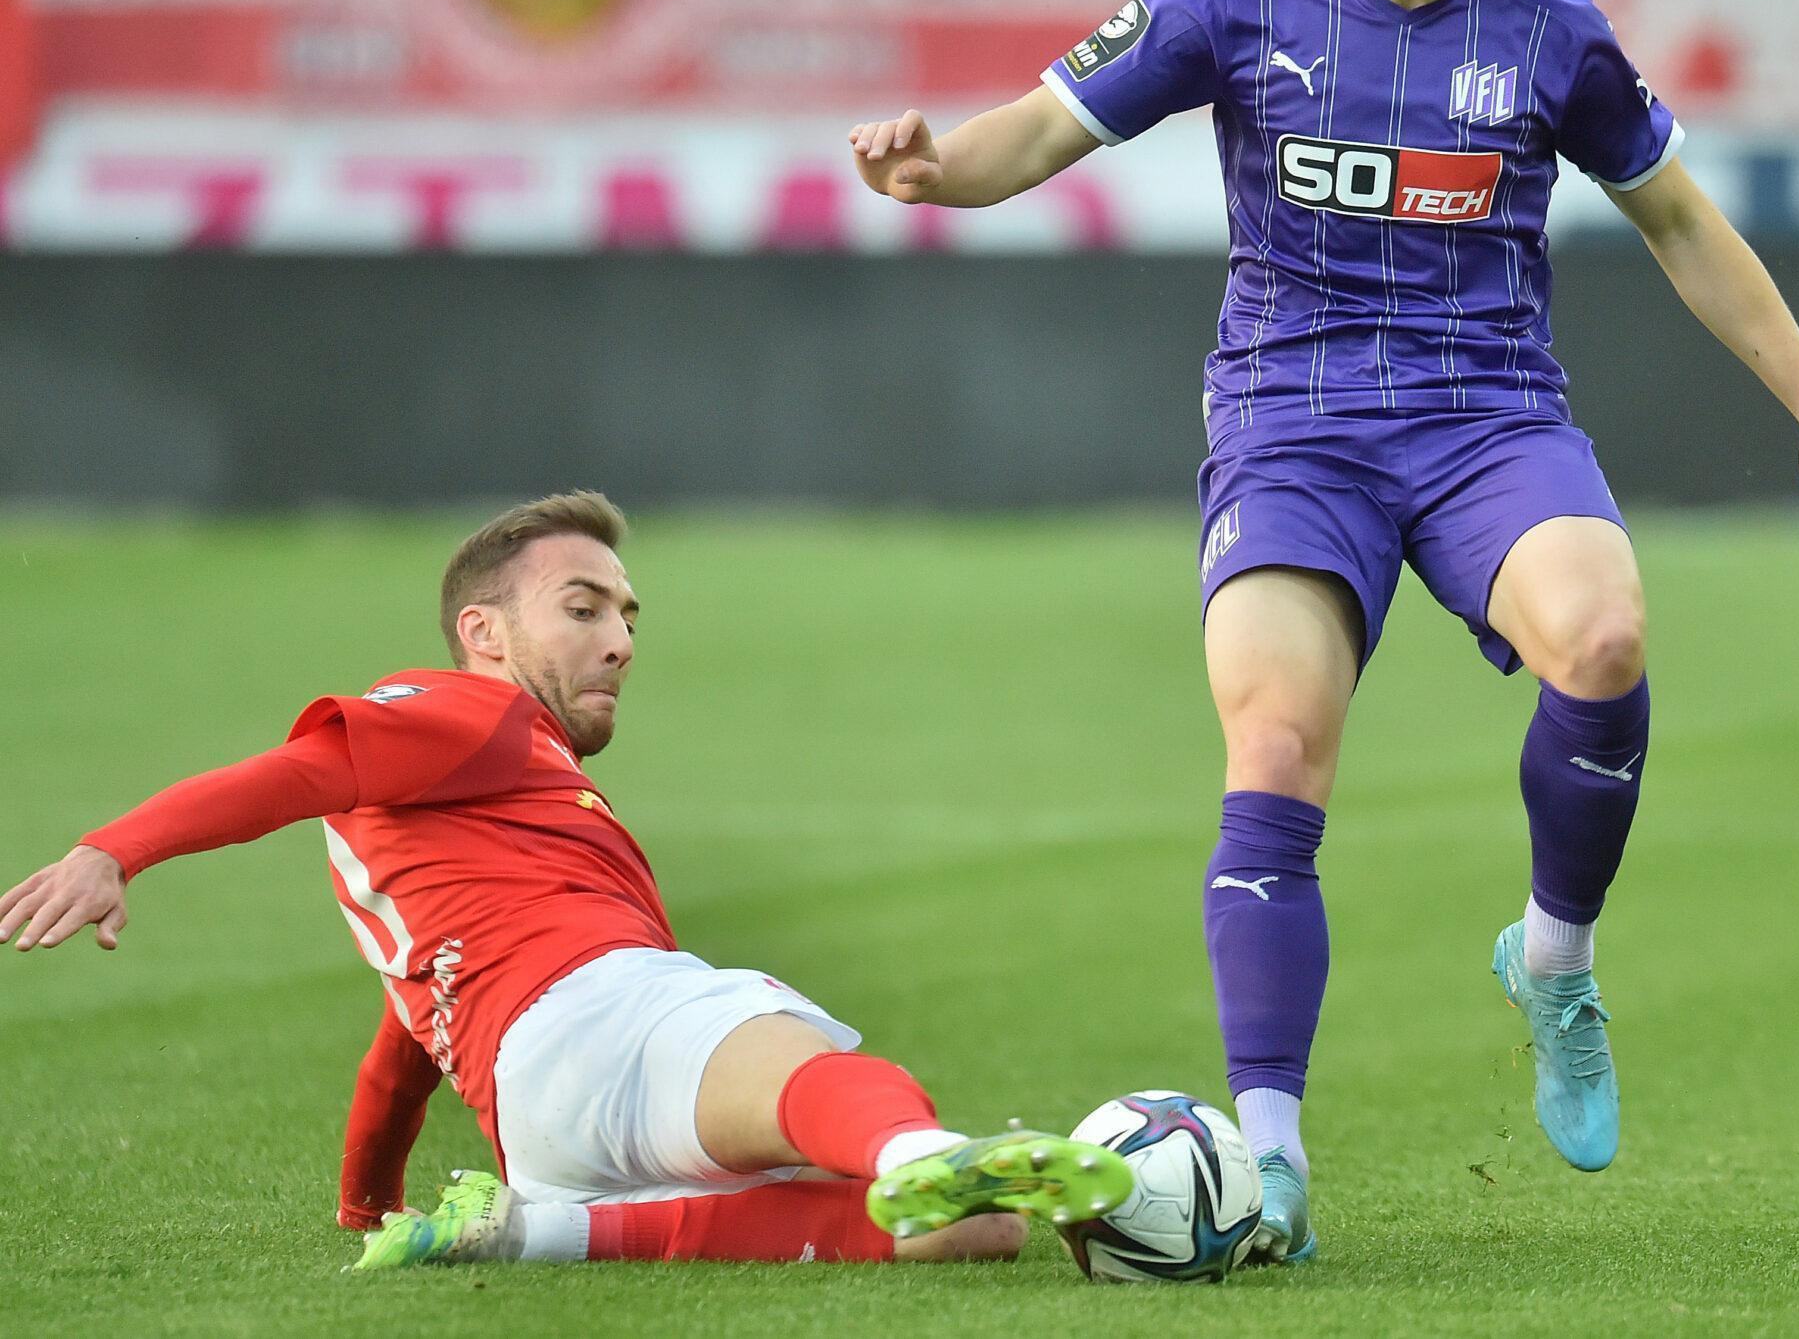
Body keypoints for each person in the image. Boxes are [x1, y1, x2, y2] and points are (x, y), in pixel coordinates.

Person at [846, 0, 1799, 1265]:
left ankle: (1553, 959)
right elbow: (1046, 125)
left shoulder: (1551, 34)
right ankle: (1271, 1166)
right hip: (1292, 422)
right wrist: (937, 167)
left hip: (1485, 415)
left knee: (1602, 642)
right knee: (1276, 740)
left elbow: (1678, 219)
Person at [0, 491, 1130, 1270]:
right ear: (483, 633)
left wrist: (368, 1203)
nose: (621, 640)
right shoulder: (467, 710)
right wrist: (113, 849)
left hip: (544, 1123)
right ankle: (916, 1151)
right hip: (598, 1020)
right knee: (815, 1070)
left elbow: (405, 1047)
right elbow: (300, 769)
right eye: (583, 609)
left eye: (628, 616)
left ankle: (548, 1231)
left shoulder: (467, 826)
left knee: (975, 1235)